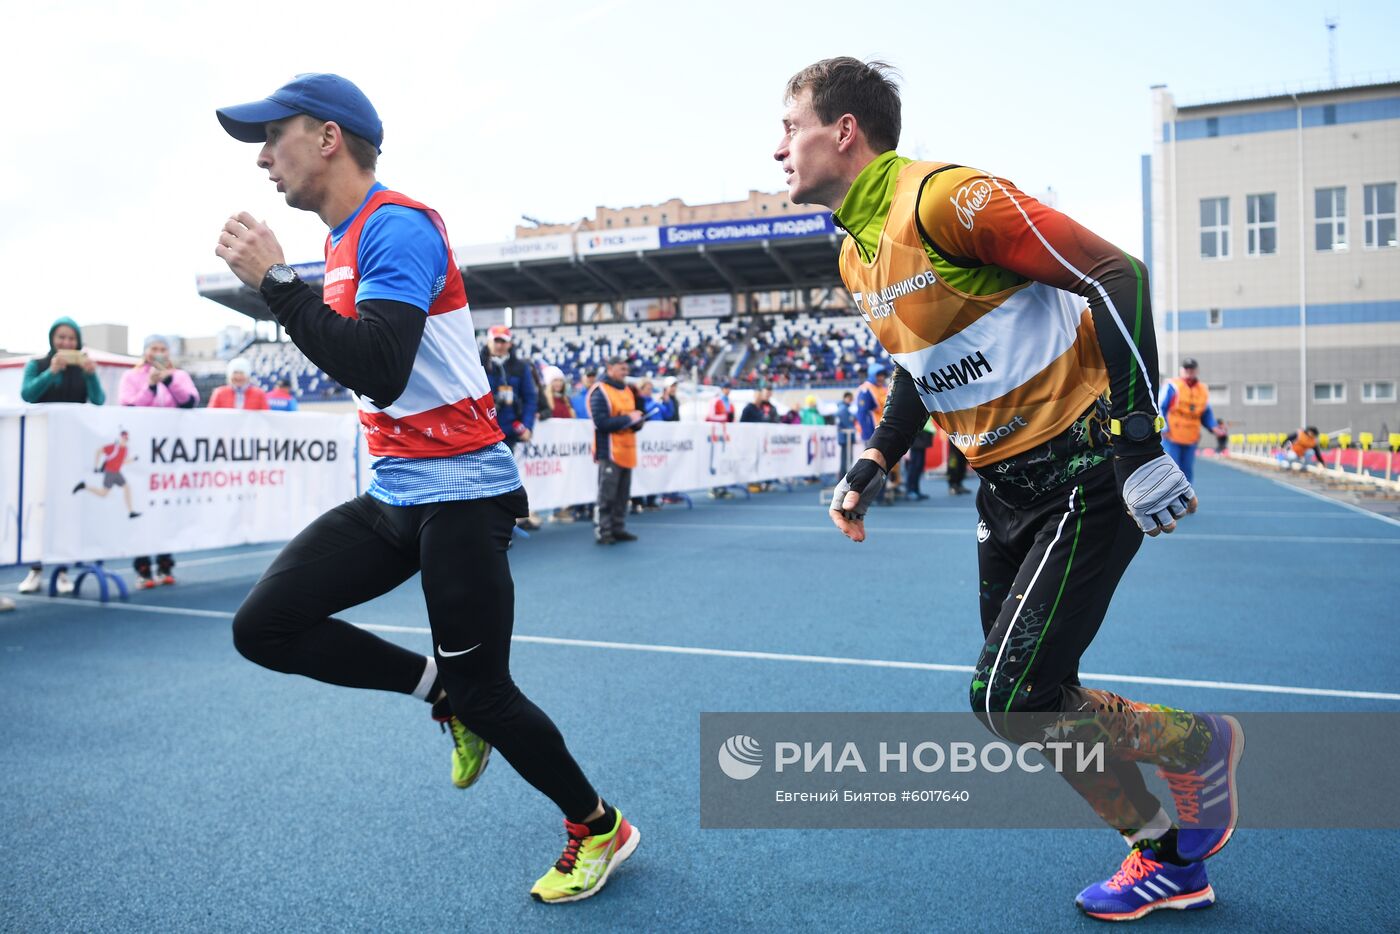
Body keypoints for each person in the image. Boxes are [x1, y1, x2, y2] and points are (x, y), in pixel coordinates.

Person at [780, 57, 1241, 921]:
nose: (778, 149)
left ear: (843, 130)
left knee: (1007, 693)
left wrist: (1140, 442)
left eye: (788, 125)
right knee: (1025, 705)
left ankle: (1172, 825)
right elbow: (919, 369)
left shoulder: (947, 198)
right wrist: (875, 462)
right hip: (1004, 492)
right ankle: (1188, 774)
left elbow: (1119, 273)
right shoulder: (852, 253)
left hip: (1084, 468)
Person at [213, 72, 636, 903]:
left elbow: (378, 364)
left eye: (274, 136)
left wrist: (275, 283)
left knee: (492, 690)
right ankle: (441, 694)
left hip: (464, 495)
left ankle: (599, 826)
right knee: (264, 627)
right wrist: (289, 286)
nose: (262, 157)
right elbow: (366, 365)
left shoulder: (397, 226)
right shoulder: (340, 243)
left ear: (329, 137)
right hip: (397, 492)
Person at [18, 317, 106, 596]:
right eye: (61, 338)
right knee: (40, 506)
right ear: (52, 340)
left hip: (73, 448)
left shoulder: (83, 368)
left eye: (71, 338)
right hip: (41, 447)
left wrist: (91, 375)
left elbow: (99, 400)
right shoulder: (38, 364)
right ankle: (35, 568)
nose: (66, 343)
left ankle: (62, 569)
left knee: (68, 506)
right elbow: (27, 394)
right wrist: (51, 373)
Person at [120, 335, 197, 587]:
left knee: (166, 508)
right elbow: (128, 407)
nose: (159, 352)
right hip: (141, 453)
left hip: (171, 453)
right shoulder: (131, 377)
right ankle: (142, 568)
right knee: (142, 509)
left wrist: (170, 380)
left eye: (163, 348)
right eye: (154, 348)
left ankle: (166, 564)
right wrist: (150, 386)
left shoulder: (179, 375)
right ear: (145, 352)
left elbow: (189, 401)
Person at [481, 326, 543, 531]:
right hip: (481, 432)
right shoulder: (475, 362)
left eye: (503, 341)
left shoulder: (520, 366)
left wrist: (526, 426)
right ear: (489, 341)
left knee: (508, 479)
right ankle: (487, 525)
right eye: (496, 340)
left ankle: (506, 525)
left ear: (509, 343)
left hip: (508, 433)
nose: (499, 345)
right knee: (484, 478)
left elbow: (531, 398)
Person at [589, 356, 644, 543]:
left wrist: (637, 422)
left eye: (626, 368)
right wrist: (629, 419)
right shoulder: (600, 391)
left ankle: (618, 527)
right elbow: (601, 423)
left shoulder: (628, 390)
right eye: (621, 368)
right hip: (610, 451)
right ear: (610, 368)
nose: (625, 372)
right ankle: (603, 531)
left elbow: (631, 417)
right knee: (607, 495)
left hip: (628, 450)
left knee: (622, 495)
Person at [1159, 359, 1224, 484]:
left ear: (1196, 371)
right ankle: (1169, 500)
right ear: (1181, 370)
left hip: (1191, 437)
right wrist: (1164, 428)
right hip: (1172, 437)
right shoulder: (1172, 386)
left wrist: (1214, 427)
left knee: (1187, 471)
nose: (1189, 371)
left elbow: (1206, 413)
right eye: (1186, 369)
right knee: (1172, 471)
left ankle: (1186, 500)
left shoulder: (1202, 389)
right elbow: (1160, 407)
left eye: (1192, 369)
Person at [706, 381, 736, 498]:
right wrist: (725, 417)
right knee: (715, 460)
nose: (728, 390)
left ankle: (722, 487)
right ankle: (713, 487)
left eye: (729, 388)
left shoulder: (730, 402)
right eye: (726, 388)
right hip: (715, 436)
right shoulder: (716, 400)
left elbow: (731, 418)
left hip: (725, 436)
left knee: (723, 460)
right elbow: (710, 416)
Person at [905, 418, 932, 500]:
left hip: (921, 435)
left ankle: (915, 490)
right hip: (916, 435)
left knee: (919, 466)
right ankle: (910, 491)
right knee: (914, 466)